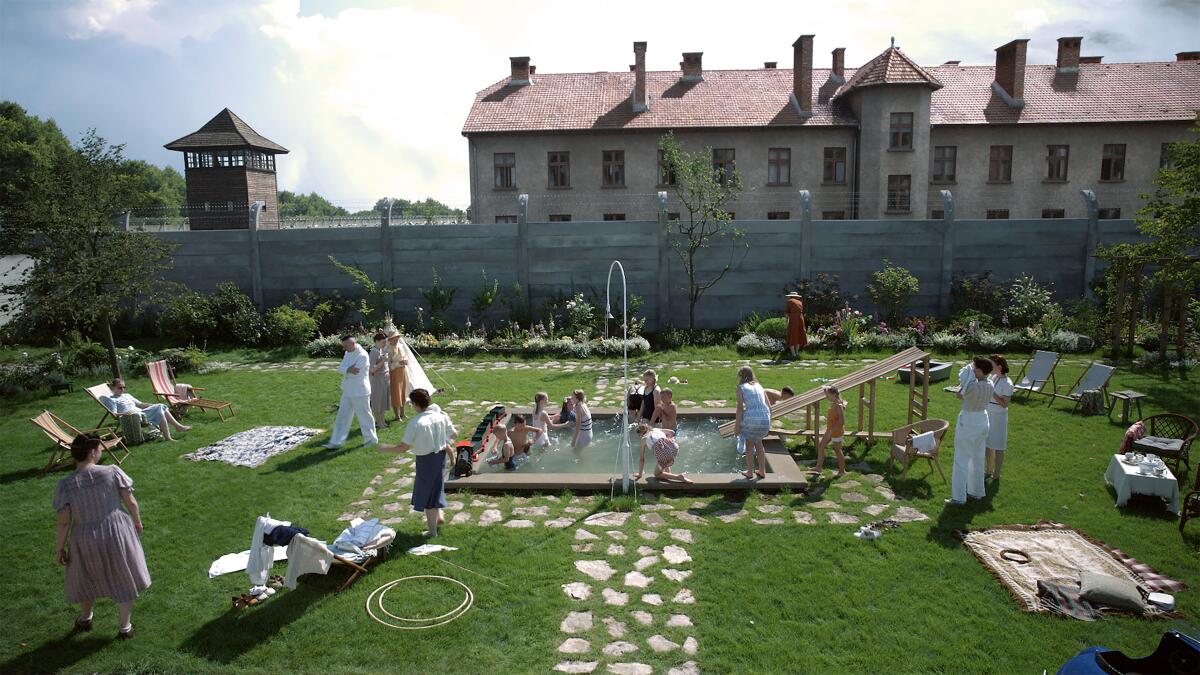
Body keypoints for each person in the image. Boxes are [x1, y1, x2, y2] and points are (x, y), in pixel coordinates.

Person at [54, 433, 150, 640]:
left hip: (84, 536)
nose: (100, 452)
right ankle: (125, 628)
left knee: (85, 575)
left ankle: (86, 617)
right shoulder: (111, 472)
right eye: (99, 449)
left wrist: (59, 548)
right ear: (92, 452)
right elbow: (131, 502)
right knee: (122, 574)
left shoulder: (66, 484)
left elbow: (63, 521)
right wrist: (137, 521)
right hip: (116, 530)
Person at [379, 389, 456, 537]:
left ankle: (432, 531)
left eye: (412, 404)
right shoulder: (441, 416)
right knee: (435, 487)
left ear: (415, 404)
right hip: (440, 458)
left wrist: (384, 448)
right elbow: (453, 434)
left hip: (426, 460)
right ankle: (439, 516)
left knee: (427, 495)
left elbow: (403, 448)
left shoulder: (415, 422)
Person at [947, 357, 995, 505]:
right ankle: (977, 492)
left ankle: (959, 497)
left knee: (961, 459)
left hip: (969, 421)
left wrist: (968, 378)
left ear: (980, 371)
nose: (972, 370)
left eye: (975, 368)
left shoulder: (972, 386)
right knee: (978, 457)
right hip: (983, 420)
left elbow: (959, 395)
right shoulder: (991, 383)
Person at [325, 335, 378, 449]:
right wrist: (348, 369)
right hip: (348, 390)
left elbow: (357, 373)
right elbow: (341, 368)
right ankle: (336, 442)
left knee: (364, 416)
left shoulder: (362, 355)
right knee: (342, 416)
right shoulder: (348, 353)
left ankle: (371, 440)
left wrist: (347, 369)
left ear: (353, 344)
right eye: (343, 346)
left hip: (360, 391)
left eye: (345, 346)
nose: (344, 349)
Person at [100, 379, 190, 441]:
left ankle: (170, 435)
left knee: (160, 408)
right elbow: (114, 414)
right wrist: (126, 413)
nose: (122, 389)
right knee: (160, 409)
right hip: (132, 417)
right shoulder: (112, 399)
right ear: (113, 388)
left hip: (141, 413)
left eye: (124, 387)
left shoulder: (127, 395)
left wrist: (152, 405)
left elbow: (140, 404)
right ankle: (177, 428)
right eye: (120, 387)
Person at [734, 366, 771, 479]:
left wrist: (737, 427)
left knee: (749, 444)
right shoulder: (759, 386)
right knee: (759, 443)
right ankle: (762, 471)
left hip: (752, 418)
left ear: (741, 376)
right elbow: (769, 406)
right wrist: (768, 421)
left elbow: (740, 409)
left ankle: (750, 471)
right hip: (765, 416)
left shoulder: (740, 388)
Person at [985, 354, 1014, 481]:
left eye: (992, 365)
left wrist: (992, 392)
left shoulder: (1008, 383)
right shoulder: (993, 376)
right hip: (988, 412)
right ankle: (988, 470)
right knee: (987, 444)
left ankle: (996, 474)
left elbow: (1004, 404)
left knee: (998, 445)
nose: (990, 367)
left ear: (999, 367)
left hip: (999, 416)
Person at [814, 385, 848, 477]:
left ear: (833, 395)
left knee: (837, 450)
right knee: (821, 446)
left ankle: (842, 471)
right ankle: (818, 468)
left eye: (827, 395)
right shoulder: (833, 402)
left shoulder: (838, 406)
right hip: (830, 430)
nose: (826, 397)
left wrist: (833, 429)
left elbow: (842, 421)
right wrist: (825, 389)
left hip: (836, 431)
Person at [384, 321, 409, 422]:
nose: (396, 339)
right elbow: (388, 365)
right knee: (396, 393)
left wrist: (405, 361)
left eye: (397, 337)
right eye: (394, 338)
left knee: (403, 391)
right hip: (394, 372)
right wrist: (399, 363)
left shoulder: (400, 346)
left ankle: (403, 413)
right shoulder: (387, 349)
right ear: (390, 339)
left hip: (402, 371)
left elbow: (404, 356)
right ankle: (397, 416)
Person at [368, 331, 391, 430]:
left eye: (385, 342)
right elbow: (372, 369)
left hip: (384, 378)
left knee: (383, 400)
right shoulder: (373, 352)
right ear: (376, 341)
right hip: (377, 379)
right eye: (383, 342)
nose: (384, 344)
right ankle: (379, 422)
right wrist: (383, 360)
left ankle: (381, 420)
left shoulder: (380, 350)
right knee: (378, 401)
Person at [785, 292, 807, 357]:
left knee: (792, 334)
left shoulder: (789, 301)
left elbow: (787, 312)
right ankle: (797, 352)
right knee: (799, 334)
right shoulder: (800, 302)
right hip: (800, 318)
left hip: (794, 319)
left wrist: (786, 322)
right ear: (797, 296)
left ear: (790, 296)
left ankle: (793, 353)